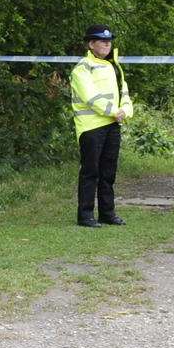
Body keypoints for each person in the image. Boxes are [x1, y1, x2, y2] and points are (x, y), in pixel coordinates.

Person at [69, 24, 133, 227]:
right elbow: (90, 98)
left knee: (108, 172)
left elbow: (125, 94)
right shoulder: (82, 68)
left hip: (113, 125)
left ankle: (107, 213)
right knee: (91, 171)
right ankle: (85, 215)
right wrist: (115, 112)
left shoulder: (115, 66)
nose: (107, 43)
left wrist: (126, 111)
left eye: (109, 40)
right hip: (91, 127)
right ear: (91, 44)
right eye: (101, 40)